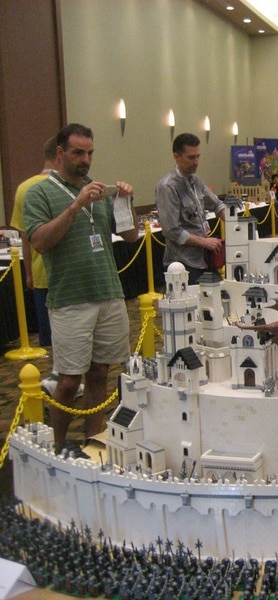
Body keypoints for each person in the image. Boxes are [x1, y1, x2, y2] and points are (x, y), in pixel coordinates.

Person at [23, 123, 139, 457]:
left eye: (89, 153)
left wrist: (126, 203)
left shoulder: (98, 192)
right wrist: (75, 206)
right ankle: (59, 446)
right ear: (60, 152)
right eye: (78, 152)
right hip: (70, 299)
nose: (85, 159)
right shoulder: (39, 193)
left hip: (108, 292)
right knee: (69, 380)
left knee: (100, 372)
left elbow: (131, 236)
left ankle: (92, 440)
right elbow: (40, 242)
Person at [156, 133, 225, 284]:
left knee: (220, 292)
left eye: (198, 157)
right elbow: (172, 230)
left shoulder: (196, 181)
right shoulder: (167, 187)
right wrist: (204, 242)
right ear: (177, 156)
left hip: (204, 260)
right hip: (182, 264)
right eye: (191, 158)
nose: (196, 162)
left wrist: (235, 223)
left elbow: (217, 205)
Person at [10, 136, 58, 347]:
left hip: (41, 274)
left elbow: (25, 237)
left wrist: (28, 273)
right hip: (67, 275)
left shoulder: (24, 188)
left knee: (48, 339)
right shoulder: (70, 187)